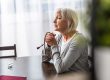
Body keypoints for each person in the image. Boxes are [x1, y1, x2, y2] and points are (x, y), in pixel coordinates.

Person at [42, 8, 89, 74]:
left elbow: (60, 69)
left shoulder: (79, 40)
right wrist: (49, 45)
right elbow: (44, 59)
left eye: (58, 18)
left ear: (70, 22)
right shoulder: (59, 37)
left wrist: (54, 45)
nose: (54, 21)